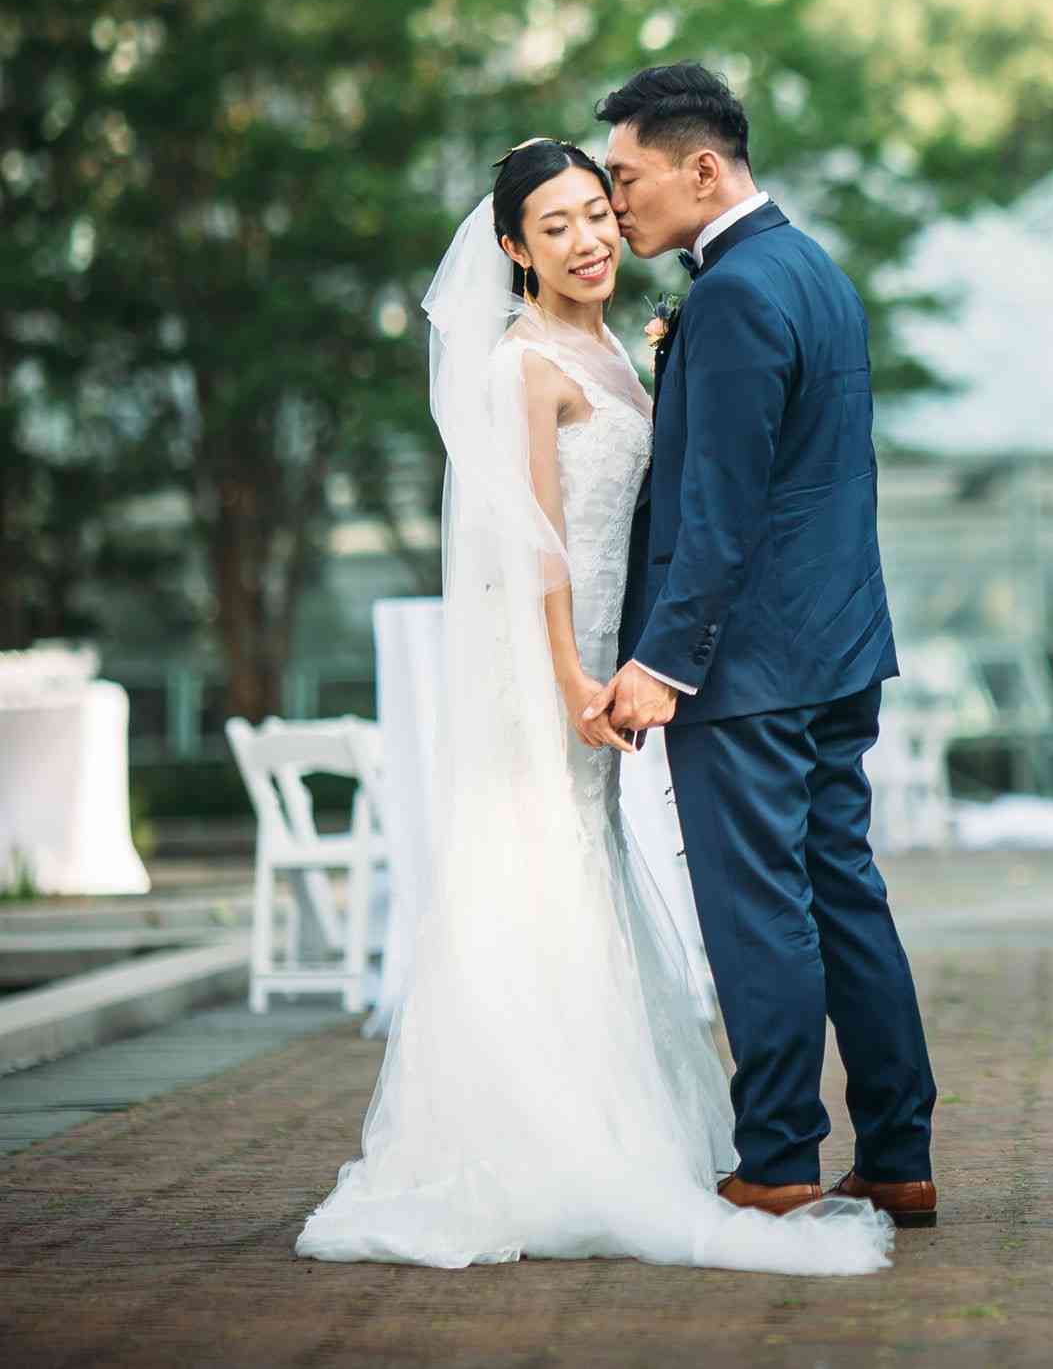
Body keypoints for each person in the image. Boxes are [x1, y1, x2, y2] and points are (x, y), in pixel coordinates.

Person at [296, 139, 892, 1275]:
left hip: (632, 666)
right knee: (535, 866)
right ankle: (530, 1141)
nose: (590, 237)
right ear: (513, 250)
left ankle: (626, 1120)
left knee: (593, 867)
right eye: (557, 225)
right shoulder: (520, 365)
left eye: (597, 212)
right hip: (561, 670)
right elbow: (531, 544)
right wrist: (572, 673)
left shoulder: (622, 343)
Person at [587, 63, 938, 1227]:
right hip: (837, 644)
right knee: (843, 892)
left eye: (627, 177)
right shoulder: (813, 270)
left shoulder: (734, 294)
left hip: (746, 665)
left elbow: (721, 505)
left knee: (759, 907)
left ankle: (779, 1155)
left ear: (703, 166)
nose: (616, 201)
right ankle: (896, 1151)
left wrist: (665, 660)